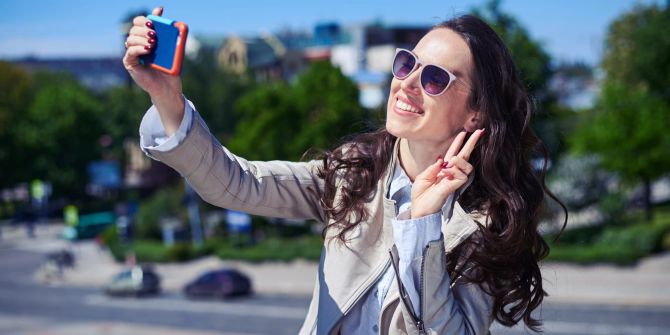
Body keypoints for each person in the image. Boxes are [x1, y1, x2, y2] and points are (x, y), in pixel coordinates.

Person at [124, 7, 565, 335]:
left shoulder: (484, 224)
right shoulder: (353, 175)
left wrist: (422, 225)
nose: (407, 83)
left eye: (434, 79)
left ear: (475, 113)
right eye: (407, 63)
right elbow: (237, 184)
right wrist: (167, 100)